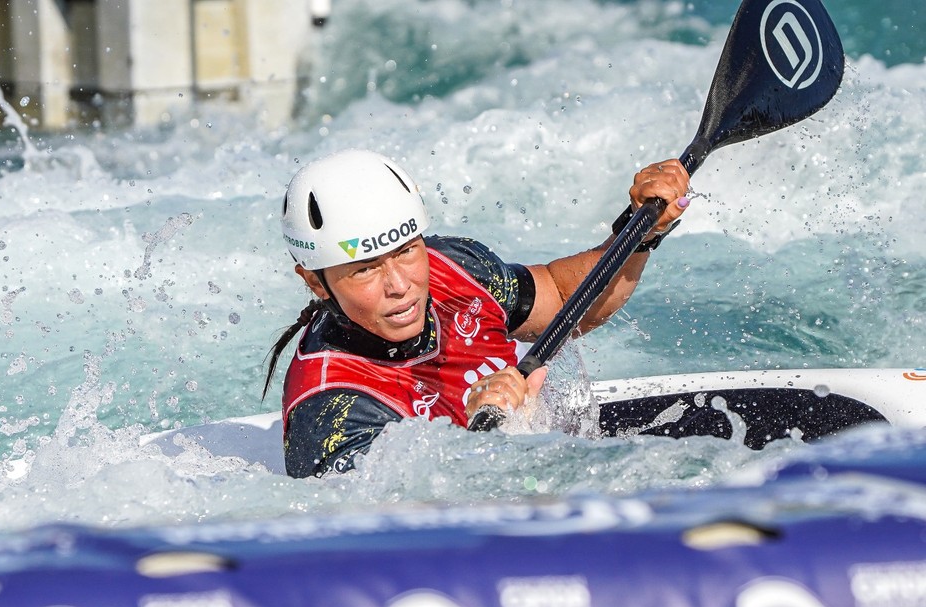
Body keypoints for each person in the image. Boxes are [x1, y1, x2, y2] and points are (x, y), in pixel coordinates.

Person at [264, 149, 690, 478]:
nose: (400, 285)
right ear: (316, 283)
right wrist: (479, 437)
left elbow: (564, 299)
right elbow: (401, 533)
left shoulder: (454, 268)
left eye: (406, 251)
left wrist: (640, 231)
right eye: (365, 269)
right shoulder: (329, 412)